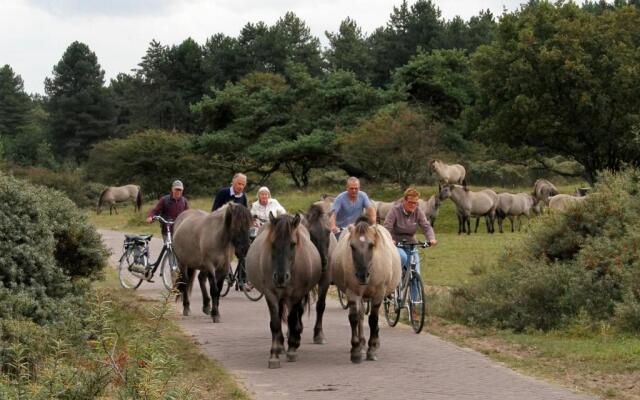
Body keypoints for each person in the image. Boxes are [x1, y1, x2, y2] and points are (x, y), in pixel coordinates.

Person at [383, 188, 437, 318]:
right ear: (404, 201)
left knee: (416, 274)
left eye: (415, 203)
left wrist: (431, 238)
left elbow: (426, 226)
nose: (413, 205)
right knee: (402, 256)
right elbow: (387, 227)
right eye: (411, 202)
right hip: (397, 244)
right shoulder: (395, 211)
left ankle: (414, 306)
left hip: (411, 243)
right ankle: (393, 286)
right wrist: (391, 240)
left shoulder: (418, 211)